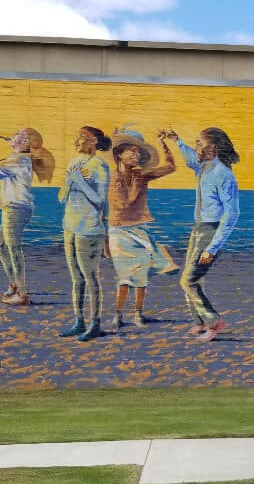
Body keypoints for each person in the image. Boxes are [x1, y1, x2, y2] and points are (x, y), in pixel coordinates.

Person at [170, 128, 241, 342]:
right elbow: (191, 158)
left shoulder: (223, 174)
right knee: (195, 280)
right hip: (198, 227)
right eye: (196, 143)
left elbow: (232, 213)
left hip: (210, 230)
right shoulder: (204, 167)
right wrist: (177, 141)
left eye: (200, 144)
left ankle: (213, 321)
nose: (197, 148)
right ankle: (199, 321)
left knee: (187, 280)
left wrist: (212, 248)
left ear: (215, 148)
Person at [107, 127, 179, 329]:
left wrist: (164, 145)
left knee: (140, 278)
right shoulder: (114, 178)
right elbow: (124, 204)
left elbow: (171, 167)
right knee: (124, 277)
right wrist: (139, 181)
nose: (135, 154)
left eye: (138, 151)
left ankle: (138, 313)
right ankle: (118, 314)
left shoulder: (141, 175)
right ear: (119, 154)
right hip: (119, 232)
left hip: (140, 229)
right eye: (130, 150)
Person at [0, 127, 53, 306]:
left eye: (19, 134)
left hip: (15, 209)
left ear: (25, 142)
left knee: (13, 248)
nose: (13, 135)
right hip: (15, 207)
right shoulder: (17, 160)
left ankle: (22, 293)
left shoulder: (17, 160)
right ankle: (14, 283)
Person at [58, 126, 111, 342]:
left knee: (90, 278)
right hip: (69, 226)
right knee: (75, 278)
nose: (77, 140)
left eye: (83, 137)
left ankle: (94, 323)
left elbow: (100, 201)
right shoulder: (73, 162)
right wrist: (70, 182)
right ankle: (78, 320)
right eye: (77, 136)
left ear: (94, 143)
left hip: (89, 229)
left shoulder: (100, 166)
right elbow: (61, 197)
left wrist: (79, 182)